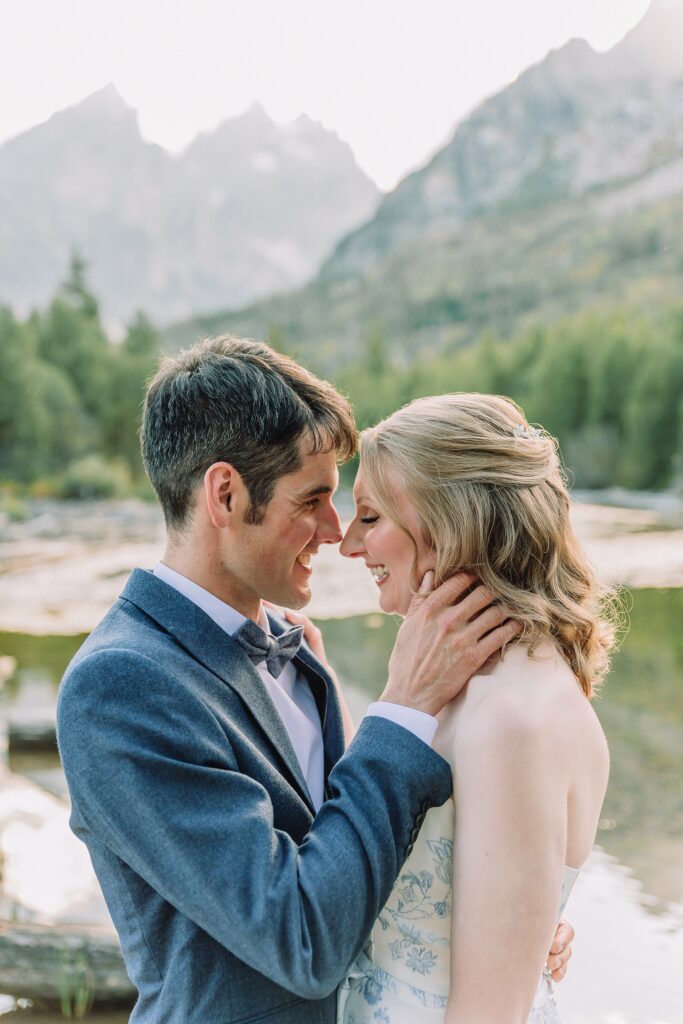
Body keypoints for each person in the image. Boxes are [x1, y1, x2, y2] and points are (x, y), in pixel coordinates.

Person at [57, 337, 543, 1024]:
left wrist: (500, 924)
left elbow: (350, 861)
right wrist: (401, 711)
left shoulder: (295, 646)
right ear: (225, 494)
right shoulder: (119, 688)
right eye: (311, 500)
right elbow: (303, 941)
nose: (335, 531)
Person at [338, 393, 612, 1024]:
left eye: (370, 517)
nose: (349, 544)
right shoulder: (456, 684)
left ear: (449, 523)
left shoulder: (514, 721)